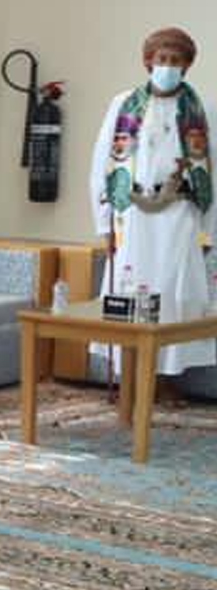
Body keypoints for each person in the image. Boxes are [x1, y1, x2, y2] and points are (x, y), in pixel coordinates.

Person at [89, 27, 216, 387]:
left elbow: (212, 166)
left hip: (179, 213)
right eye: (162, 59)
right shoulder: (123, 103)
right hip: (132, 212)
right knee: (129, 288)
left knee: (172, 293)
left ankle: (164, 380)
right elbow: (102, 160)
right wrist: (103, 223)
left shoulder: (202, 109)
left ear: (187, 66)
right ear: (148, 61)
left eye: (176, 60)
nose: (168, 66)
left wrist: (210, 228)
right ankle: (129, 379)